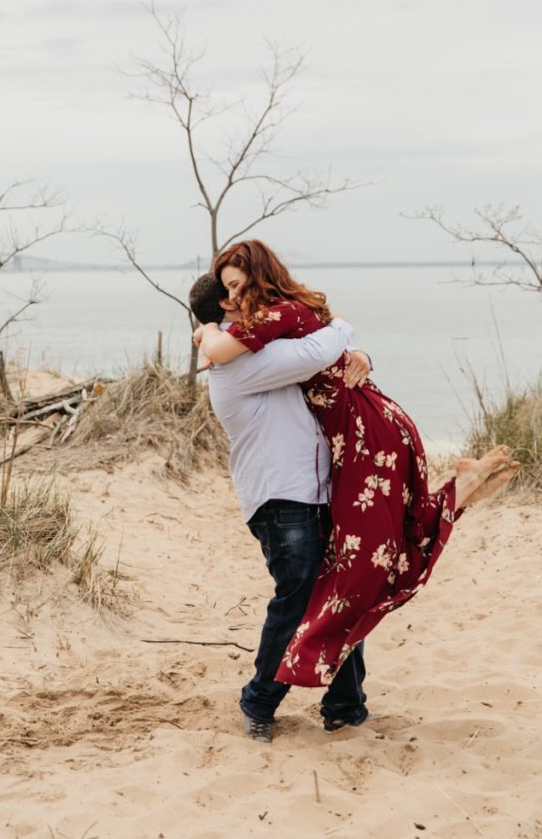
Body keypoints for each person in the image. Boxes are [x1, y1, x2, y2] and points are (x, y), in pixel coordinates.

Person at [196, 240, 519, 691]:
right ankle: (456, 494)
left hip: (363, 430)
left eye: (238, 284)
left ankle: (281, 700)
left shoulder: (275, 318)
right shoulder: (279, 328)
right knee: (366, 552)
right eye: (226, 292)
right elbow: (315, 345)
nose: (234, 297)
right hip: (367, 426)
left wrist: (208, 331)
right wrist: (348, 341)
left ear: (259, 276)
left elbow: (283, 349)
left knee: (362, 560)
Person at [188, 272, 373, 742]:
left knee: (342, 591)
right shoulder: (237, 363)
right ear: (228, 308)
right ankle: (259, 701)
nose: (259, 304)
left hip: (314, 491)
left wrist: (363, 357)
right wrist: (344, 329)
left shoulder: (248, 351)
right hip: (279, 498)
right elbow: (315, 350)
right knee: (297, 598)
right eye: (244, 295)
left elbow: (324, 364)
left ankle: (345, 705)